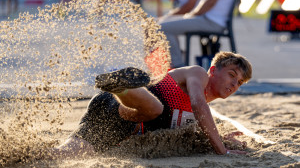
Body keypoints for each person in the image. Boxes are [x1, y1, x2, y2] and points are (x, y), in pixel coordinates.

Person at [48, 51, 252, 159]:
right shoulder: (198, 75)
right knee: (155, 109)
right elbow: (198, 104)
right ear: (214, 70)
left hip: (114, 126)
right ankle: (120, 86)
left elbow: (194, 127)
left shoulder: (199, 116)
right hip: (120, 104)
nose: (234, 84)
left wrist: (220, 139)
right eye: (232, 75)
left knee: (60, 156)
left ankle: (23, 155)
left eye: (239, 82)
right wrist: (221, 150)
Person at [159, 0, 242, 68]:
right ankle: (177, 58)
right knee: (165, 24)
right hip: (210, 19)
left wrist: (192, 15)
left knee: (162, 27)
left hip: (211, 21)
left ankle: (178, 66)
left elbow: (211, 2)